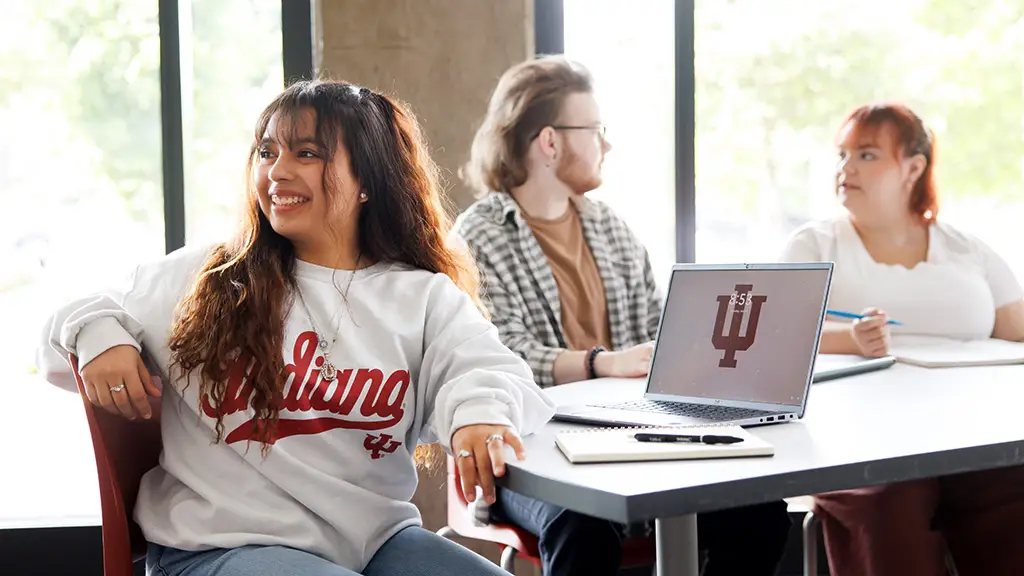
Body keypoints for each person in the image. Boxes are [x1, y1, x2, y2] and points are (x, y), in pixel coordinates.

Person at [36, 80, 557, 576]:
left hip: (372, 544)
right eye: (267, 153)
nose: (277, 171)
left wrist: (478, 415)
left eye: (306, 153)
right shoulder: (208, 277)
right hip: (218, 549)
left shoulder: (421, 296)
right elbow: (72, 321)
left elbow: (489, 368)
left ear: (368, 181)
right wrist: (100, 334)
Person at [454, 55, 791, 576]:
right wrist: (600, 363)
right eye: (595, 130)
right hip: (530, 457)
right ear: (550, 142)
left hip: (635, 438)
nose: (606, 145)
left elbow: (659, 330)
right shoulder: (479, 235)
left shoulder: (609, 226)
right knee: (583, 522)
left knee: (758, 512)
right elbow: (502, 358)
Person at [781, 102, 1024, 576]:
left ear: (914, 167)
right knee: (888, 504)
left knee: (1016, 491)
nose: (845, 168)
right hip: (858, 445)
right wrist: (851, 339)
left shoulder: (966, 249)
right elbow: (774, 339)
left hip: (972, 436)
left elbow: (1015, 331)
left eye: (867, 155)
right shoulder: (814, 245)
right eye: (842, 155)